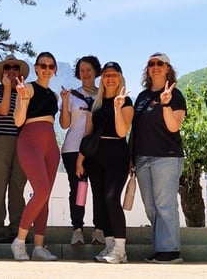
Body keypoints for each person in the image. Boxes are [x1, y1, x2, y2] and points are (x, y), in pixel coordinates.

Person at [75, 61, 134, 264]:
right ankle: (109, 246)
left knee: (111, 198)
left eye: (113, 74)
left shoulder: (126, 102)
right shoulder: (96, 103)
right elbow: (88, 132)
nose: (109, 78)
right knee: (100, 201)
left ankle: (120, 249)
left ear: (120, 77)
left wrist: (117, 107)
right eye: (106, 74)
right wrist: (80, 160)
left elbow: (121, 131)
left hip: (117, 155)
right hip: (95, 157)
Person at [131, 52, 187, 264]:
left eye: (159, 63)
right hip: (142, 158)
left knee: (165, 203)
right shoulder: (142, 97)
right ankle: (160, 247)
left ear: (168, 69)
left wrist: (165, 104)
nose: (155, 67)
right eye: (151, 64)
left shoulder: (176, 95)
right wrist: (132, 157)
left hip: (167, 157)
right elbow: (136, 130)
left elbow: (173, 126)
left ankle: (170, 250)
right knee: (150, 206)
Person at [10, 52, 61, 261]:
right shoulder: (28, 88)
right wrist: (22, 99)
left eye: (50, 66)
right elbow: (18, 121)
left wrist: (66, 103)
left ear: (54, 70)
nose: (47, 69)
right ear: (36, 67)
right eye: (43, 65)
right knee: (41, 191)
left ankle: (39, 247)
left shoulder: (55, 96)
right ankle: (19, 241)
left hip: (51, 145)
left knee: (45, 196)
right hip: (30, 141)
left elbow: (62, 123)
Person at [59, 55, 102, 246]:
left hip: (98, 149)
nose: (85, 74)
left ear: (96, 72)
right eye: (82, 70)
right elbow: (64, 124)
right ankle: (77, 229)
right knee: (77, 189)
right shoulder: (72, 95)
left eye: (89, 70)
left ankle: (99, 229)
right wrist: (65, 102)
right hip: (73, 149)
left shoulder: (104, 94)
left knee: (98, 189)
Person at [0, 55, 29, 243]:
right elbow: (3, 111)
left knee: (17, 186)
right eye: (8, 68)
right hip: (1, 141)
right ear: (2, 73)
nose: (11, 71)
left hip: (22, 141)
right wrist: (6, 88)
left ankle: (16, 228)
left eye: (15, 68)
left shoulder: (26, 91)